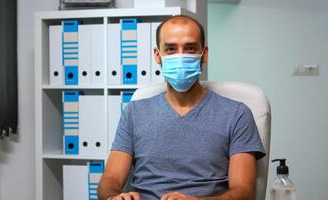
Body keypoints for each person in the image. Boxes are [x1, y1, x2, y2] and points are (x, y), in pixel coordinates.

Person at [98, 15, 265, 200]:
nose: (180, 57)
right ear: (157, 55)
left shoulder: (237, 114)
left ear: (205, 53)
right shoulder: (134, 113)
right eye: (170, 49)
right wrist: (114, 197)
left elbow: (244, 192)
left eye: (190, 48)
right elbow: (110, 180)